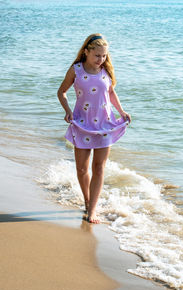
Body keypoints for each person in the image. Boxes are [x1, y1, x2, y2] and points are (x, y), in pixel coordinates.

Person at [57, 33, 131, 224]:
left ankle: (93, 209)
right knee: (82, 169)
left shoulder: (106, 70)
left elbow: (111, 92)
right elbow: (61, 91)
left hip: (105, 124)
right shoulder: (77, 70)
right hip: (82, 124)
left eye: (104, 56)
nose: (101, 59)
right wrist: (67, 111)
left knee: (99, 168)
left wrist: (121, 112)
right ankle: (87, 200)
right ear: (87, 52)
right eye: (97, 55)